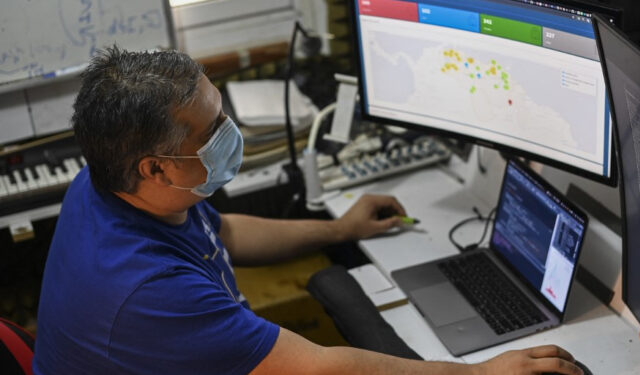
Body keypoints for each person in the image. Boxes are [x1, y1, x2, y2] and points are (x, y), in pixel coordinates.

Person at [32, 46, 584, 375]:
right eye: (213, 130)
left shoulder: (108, 182)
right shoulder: (149, 295)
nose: (234, 134)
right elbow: (319, 369)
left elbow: (224, 233)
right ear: (156, 168)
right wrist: (479, 373)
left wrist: (338, 229)